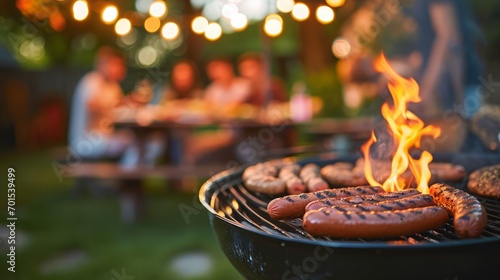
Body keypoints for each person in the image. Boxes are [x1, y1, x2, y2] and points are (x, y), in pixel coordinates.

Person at [68, 46, 163, 166]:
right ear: (104, 64)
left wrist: (131, 103)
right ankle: (127, 179)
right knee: (133, 143)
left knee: (149, 141)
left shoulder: (113, 86)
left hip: (105, 137)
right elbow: (92, 107)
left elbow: (120, 107)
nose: (121, 69)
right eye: (117, 65)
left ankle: (131, 178)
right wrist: (114, 109)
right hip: (87, 141)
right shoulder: (92, 81)